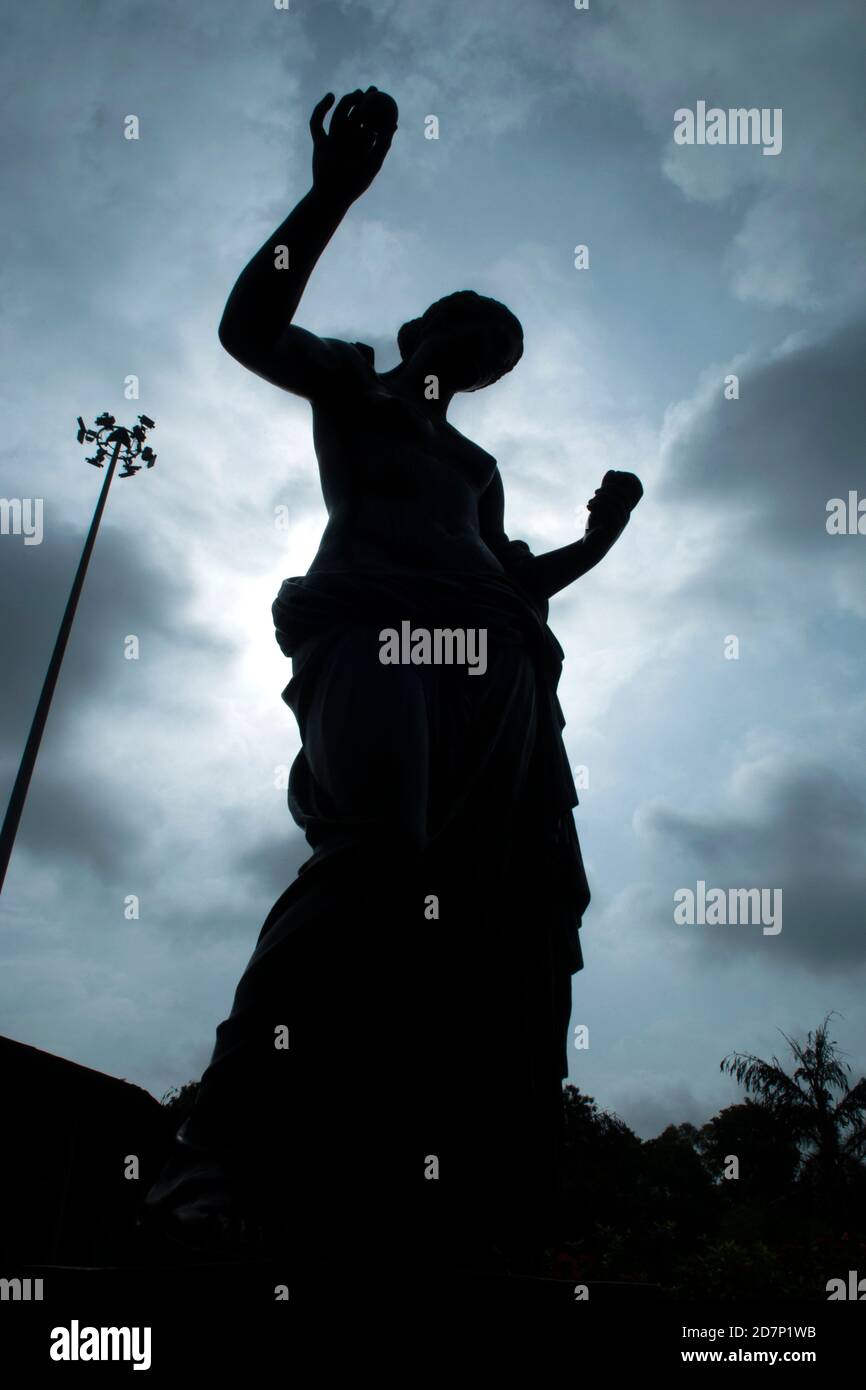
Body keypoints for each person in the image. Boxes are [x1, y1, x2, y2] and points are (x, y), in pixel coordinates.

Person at [141, 88, 643, 1280]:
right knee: (372, 855)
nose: (488, 353)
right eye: (477, 330)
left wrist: (603, 534)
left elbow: (514, 582)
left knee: (487, 914)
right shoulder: (352, 387)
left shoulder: (475, 464)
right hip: (375, 630)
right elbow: (246, 327)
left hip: (492, 665)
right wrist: (329, 196)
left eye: (505, 353)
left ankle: (437, 1184)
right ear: (431, 325)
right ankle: (224, 1138)